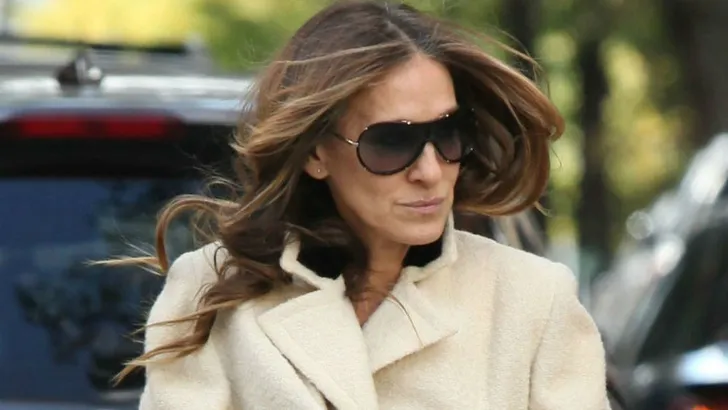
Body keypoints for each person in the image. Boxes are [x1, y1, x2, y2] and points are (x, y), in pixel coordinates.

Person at [116, 1, 611, 408]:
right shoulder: (209, 294)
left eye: (448, 134)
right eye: (391, 142)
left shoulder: (533, 301)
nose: (430, 170)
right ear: (316, 154)